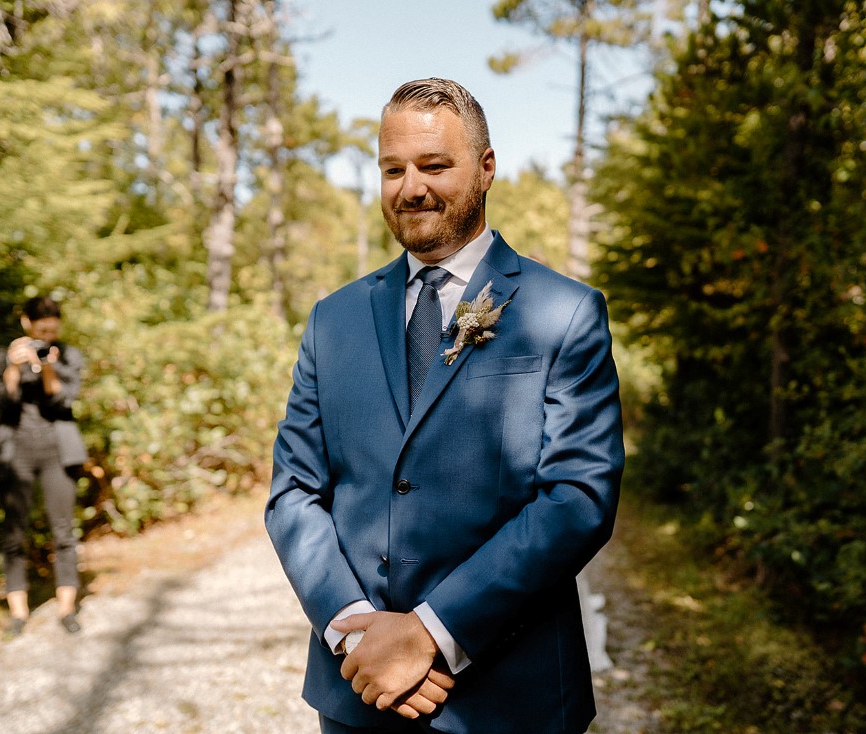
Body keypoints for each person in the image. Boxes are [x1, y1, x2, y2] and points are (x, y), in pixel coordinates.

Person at [266, 78, 624, 734]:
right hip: (357, 695)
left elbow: (577, 498)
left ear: (486, 168)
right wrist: (355, 636)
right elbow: (293, 492)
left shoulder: (566, 310)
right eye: (393, 169)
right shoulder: (331, 318)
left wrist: (429, 634)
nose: (411, 187)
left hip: (512, 696)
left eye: (434, 165)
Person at [0, 295, 87, 636]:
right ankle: (18, 613)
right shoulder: (4, 356)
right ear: (26, 323)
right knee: (14, 533)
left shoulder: (68, 355)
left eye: (52, 332)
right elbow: (0, 400)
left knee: (63, 531)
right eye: (41, 331)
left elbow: (62, 400)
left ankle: (67, 609)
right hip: (17, 453)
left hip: (58, 453)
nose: (46, 338)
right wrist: (13, 366)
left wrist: (47, 366)